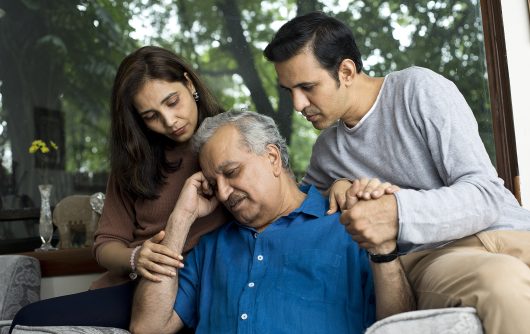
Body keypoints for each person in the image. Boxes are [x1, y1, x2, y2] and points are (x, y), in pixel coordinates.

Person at [263, 11, 530, 334]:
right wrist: (336, 185)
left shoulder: (418, 89)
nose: (297, 103)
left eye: (307, 87)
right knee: (501, 282)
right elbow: (297, 210)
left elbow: (486, 194)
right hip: (436, 257)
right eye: (288, 91)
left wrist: (396, 211)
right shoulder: (327, 152)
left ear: (346, 71)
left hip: (511, 230)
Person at [129, 111, 415, 334]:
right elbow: (147, 327)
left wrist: (384, 250)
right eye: (214, 184)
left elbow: (401, 326)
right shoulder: (212, 248)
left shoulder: (348, 225)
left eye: (232, 172)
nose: (224, 193)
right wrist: (180, 220)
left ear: (272, 158)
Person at [10, 46, 229, 332]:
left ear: (189, 83)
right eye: (151, 115)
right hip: (132, 287)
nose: (169, 121)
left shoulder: (228, 140)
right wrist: (137, 257)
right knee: (27, 321)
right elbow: (105, 245)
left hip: (200, 284)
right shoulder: (135, 162)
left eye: (172, 101)